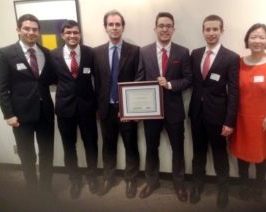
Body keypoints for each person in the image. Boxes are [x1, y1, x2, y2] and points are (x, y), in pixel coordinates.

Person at [0, 14, 55, 194]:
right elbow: (2, 88)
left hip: (45, 112)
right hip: (20, 116)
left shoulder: (46, 52)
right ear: (18, 30)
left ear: (39, 32)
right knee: (27, 154)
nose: (31, 32)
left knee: (47, 153)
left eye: (35, 29)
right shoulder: (6, 53)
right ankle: (31, 190)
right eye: (27, 28)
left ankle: (46, 188)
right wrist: (9, 114)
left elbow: (48, 80)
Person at [137, 12, 192, 202]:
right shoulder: (143, 52)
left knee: (178, 149)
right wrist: (135, 107)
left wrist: (169, 84)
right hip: (150, 111)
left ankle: (179, 184)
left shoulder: (183, 52)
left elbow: (188, 79)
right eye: (161, 25)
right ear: (155, 29)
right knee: (152, 148)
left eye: (169, 26)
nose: (165, 29)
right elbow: (139, 80)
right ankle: (152, 182)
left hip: (174, 110)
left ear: (173, 29)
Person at [188, 15, 239, 208]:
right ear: (203, 31)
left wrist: (229, 121)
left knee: (219, 154)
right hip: (197, 113)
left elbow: (234, 92)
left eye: (215, 29)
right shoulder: (196, 53)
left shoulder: (232, 57)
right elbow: (192, 81)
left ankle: (223, 190)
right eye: (207, 29)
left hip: (218, 116)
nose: (211, 33)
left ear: (222, 31)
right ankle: (197, 186)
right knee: (198, 153)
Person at [230, 23, 266, 202]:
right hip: (241, 119)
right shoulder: (238, 62)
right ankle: (244, 186)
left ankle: (259, 186)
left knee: (263, 156)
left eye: (261, 37)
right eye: (253, 37)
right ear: (247, 40)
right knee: (242, 156)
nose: (257, 41)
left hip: (264, 119)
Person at [93, 10, 140, 198]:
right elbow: (95, 82)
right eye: (110, 24)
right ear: (105, 27)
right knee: (108, 145)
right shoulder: (96, 52)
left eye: (117, 24)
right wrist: (97, 107)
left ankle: (131, 180)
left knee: (131, 145)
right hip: (106, 109)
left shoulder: (135, 51)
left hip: (127, 110)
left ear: (122, 27)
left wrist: (132, 109)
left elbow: (138, 80)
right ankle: (108, 177)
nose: (114, 27)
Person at [51, 20, 98, 199]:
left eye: (76, 32)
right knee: (69, 147)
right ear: (63, 35)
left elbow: (97, 76)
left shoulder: (89, 53)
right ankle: (75, 179)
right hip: (65, 108)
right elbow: (51, 78)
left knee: (91, 145)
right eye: (68, 32)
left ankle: (93, 177)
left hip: (87, 107)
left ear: (80, 34)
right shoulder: (53, 54)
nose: (72, 35)